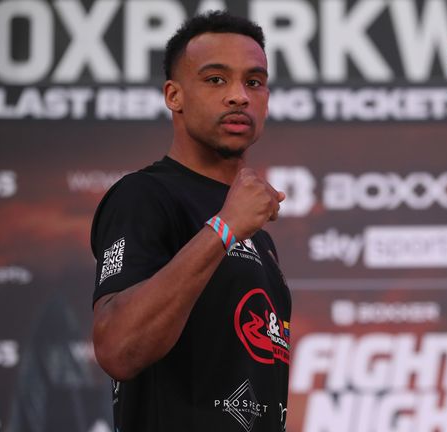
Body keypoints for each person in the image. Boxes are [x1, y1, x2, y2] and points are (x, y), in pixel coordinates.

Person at [90, 11, 290, 432]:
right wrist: (224, 229)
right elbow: (117, 348)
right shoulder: (145, 196)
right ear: (174, 95)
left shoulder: (258, 236)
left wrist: (231, 225)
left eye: (253, 82)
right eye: (216, 79)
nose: (239, 96)